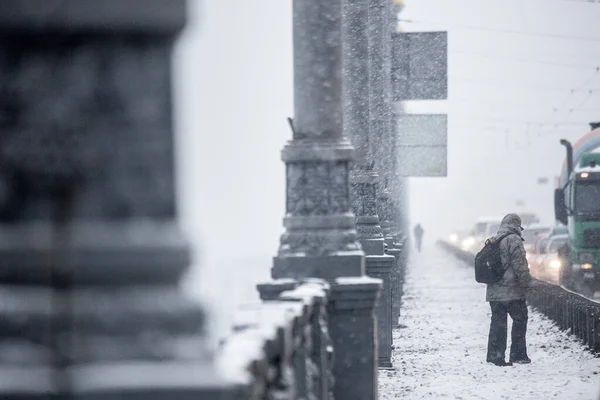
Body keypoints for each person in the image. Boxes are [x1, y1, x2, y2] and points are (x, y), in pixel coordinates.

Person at [486, 213, 532, 366]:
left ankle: (495, 355)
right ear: (516, 225)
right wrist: (527, 283)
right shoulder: (514, 240)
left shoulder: (494, 240)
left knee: (498, 323)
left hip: (494, 291)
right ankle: (518, 355)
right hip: (512, 291)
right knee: (520, 319)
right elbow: (520, 265)